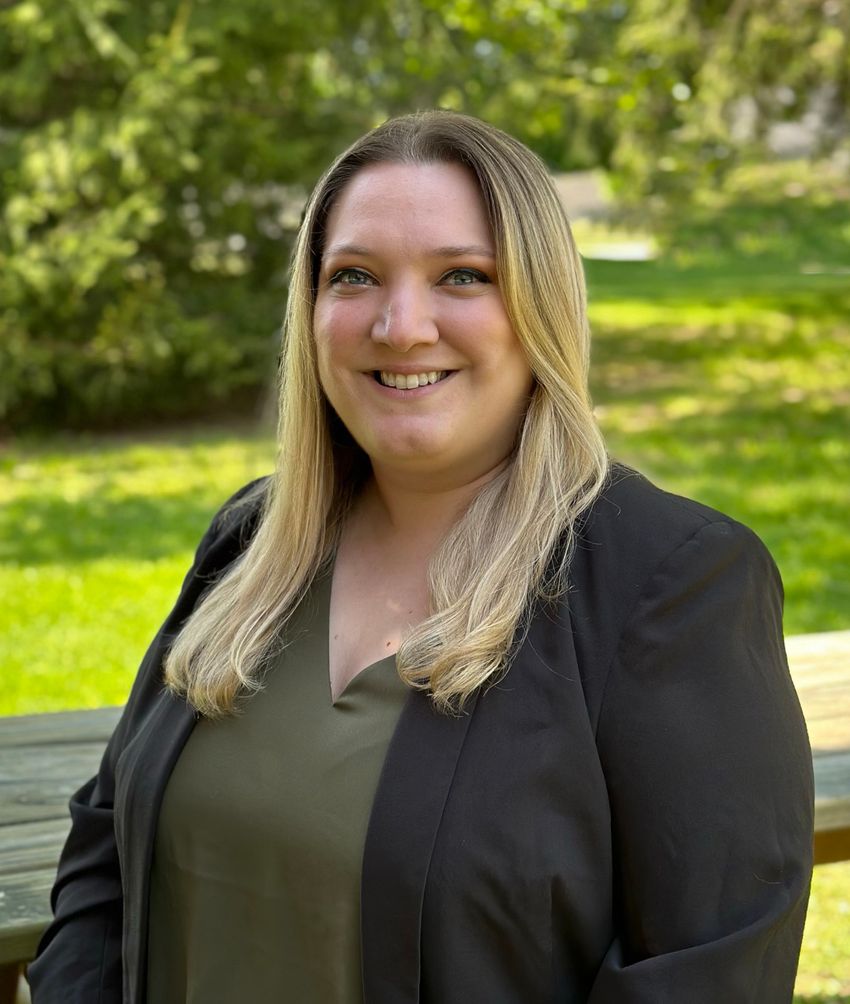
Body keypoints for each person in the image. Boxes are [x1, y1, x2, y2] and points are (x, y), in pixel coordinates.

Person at [28, 110, 814, 1003]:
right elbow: (105, 859)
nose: (401, 326)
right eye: (355, 275)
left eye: (464, 277)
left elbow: (709, 972)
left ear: (540, 308)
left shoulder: (670, 585)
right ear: (313, 308)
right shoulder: (251, 542)